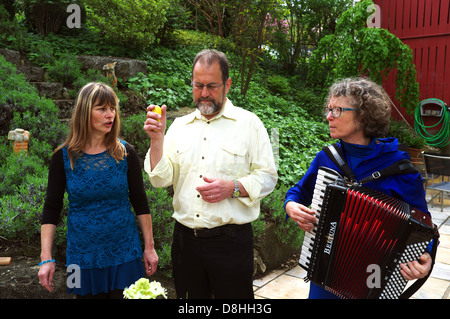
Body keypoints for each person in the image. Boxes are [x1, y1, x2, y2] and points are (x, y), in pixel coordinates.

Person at [143, 49, 278, 299]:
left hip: (231, 244)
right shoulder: (178, 127)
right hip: (185, 243)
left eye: (212, 86)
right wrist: (156, 141)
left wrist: (233, 188)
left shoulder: (250, 124)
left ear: (227, 84)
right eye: (198, 85)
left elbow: (268, 177)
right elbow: (160, 179)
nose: (204, 93)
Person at [284, 77, 434, 299]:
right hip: (326, 270)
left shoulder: (401, 171)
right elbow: (297, 193)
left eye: (337, 110)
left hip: (374, 274)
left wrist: (426, 257)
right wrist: (291, 206)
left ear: (363, 115)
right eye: (329, 109)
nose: (328, 116)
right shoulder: (327, 159)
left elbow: (424, 227)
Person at [38, 82, 158, 299]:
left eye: (112, 108)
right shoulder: (63, 157)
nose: (110, 114)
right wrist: (46, 258)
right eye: (102, 108)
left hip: (126, 253)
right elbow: (51, 208)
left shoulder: (125, 153)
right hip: (79, 257)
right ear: (85, 111)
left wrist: (149, 248)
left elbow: (140, 202)